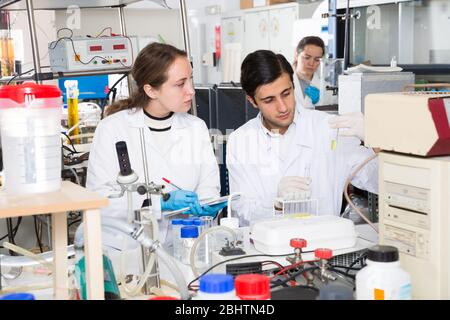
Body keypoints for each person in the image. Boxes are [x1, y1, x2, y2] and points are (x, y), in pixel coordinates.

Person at [86, 42, 226, 244]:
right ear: (151, 91)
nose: (191, 91)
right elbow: (99, 201)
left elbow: (208, 188)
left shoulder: (196, 127)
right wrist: (158, 203)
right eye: (180, 84)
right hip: (129, 249)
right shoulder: (112, 129)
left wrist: (207, 206)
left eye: (190, 80)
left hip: (184, 245)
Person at [226, 49, 378, 227]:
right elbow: (241, 212)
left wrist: (376, 140)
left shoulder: (329, 129)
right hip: (265, 249)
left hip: (325, 247)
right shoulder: (241, 141)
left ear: (293, 86)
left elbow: (379, 183)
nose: (283, 107)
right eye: (269, 100)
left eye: (286, 93)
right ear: (252, 101)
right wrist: (275, 204)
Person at [293, 36, 335, 109]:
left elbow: (331, 111)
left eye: (317, 60)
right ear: (296, 55)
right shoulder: (284, 82)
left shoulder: (326, 88)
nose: (311, 63)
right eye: (307, 57)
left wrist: (319, 102)